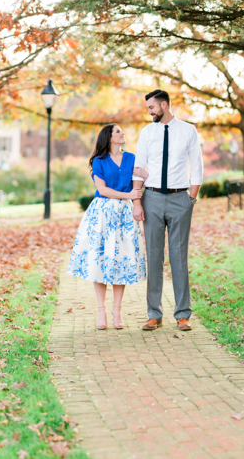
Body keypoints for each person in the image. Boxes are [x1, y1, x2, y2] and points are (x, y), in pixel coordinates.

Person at [131, 88, 203, 332]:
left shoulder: (188, 131)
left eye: (151, 107)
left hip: (179, 199)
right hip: (151, 198)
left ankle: (183, 315)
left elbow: (198, 167)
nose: (149, 112)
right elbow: (139, 167)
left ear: (163, 105)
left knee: (178, 257)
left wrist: (191, 199)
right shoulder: (147, 132)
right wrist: (137, 201)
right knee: (154, 257)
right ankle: (154, 314)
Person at [67, 124, 146, 329]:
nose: (122, 133)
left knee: (121, 260)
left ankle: (117, 311)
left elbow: (141, 181)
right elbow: (102, 189)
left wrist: (141, 184)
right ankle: (101, 311)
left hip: (124, 215)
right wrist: (129, 195)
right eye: (118, 131)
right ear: (109, 138)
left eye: (122, 130)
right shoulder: (98, 161)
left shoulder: (132, 158)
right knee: (100, 259)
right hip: (102, 213)